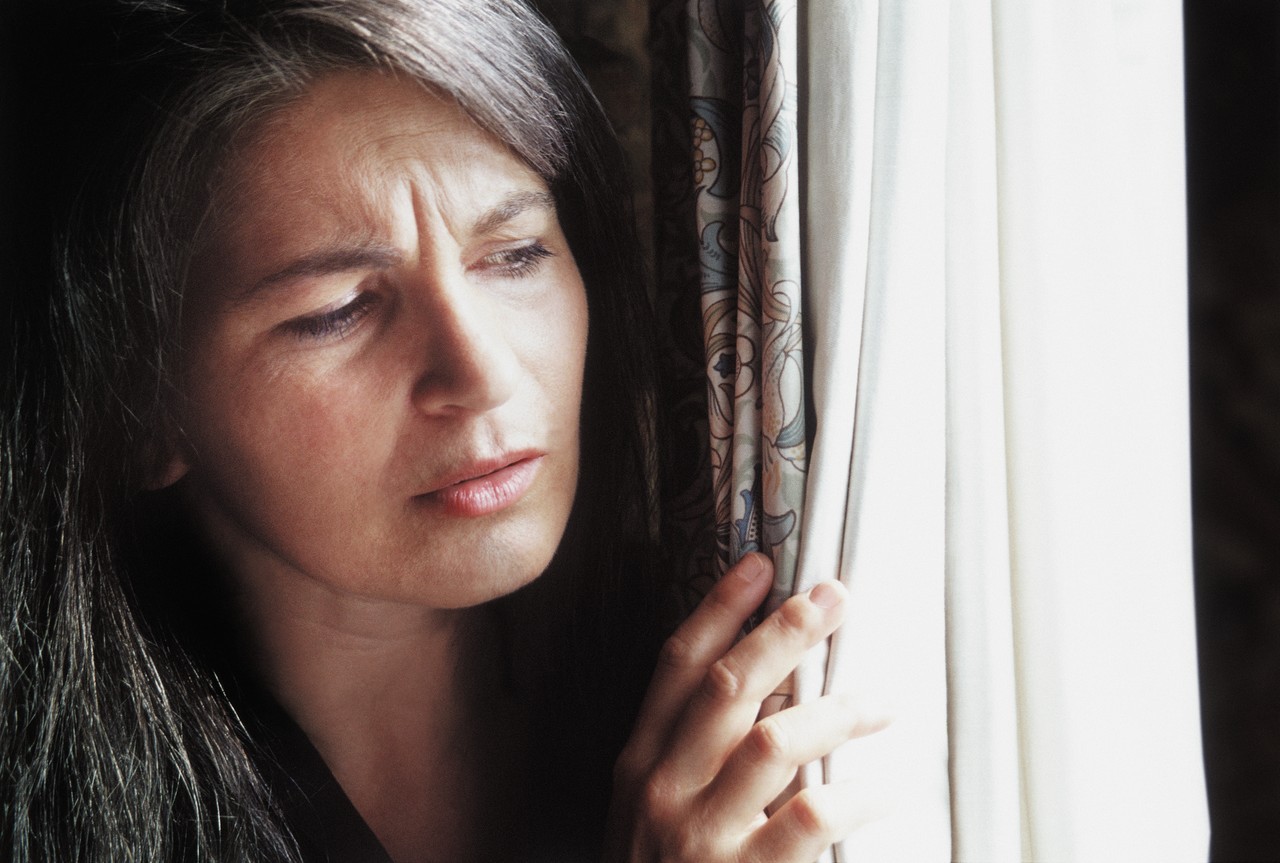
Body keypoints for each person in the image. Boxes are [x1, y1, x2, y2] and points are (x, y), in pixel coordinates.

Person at [0, 1, 880, 860]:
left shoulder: (726, 697)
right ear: (143, 409)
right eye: (336, 311)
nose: (483, 372)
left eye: (516, 256)